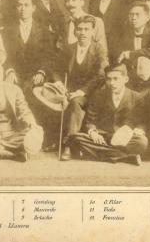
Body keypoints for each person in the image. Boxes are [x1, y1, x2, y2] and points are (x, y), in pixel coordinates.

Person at [34, 16, 108, 145]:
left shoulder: (99, 49)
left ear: (93, 31)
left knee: (75, 102)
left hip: (91, 93)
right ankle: (52, 139)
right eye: (79, 29)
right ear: (75, 32)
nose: (83, 33)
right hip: (68, 89)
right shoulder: (69, 48)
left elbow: (100, 75)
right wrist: (59, 82)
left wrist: (81, 91)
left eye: (86, 29)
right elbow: (56, 69)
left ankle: (69, 143)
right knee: (46, 96)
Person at [65, 63, 148, 164]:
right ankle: (125, 157)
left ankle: (106, 153)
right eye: (108, 79)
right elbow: (90, 120)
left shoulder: (137, 97)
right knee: (77, 138)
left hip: (124, 138)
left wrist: (139, 130)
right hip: (103, 136)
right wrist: (93, 132)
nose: (112, 83)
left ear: (125, 79)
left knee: (142, 142)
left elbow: (143, 121)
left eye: (115, 79)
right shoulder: (99, 95)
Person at [3, 0, 53, 90]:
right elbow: (4, 54)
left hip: (36, 75)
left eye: (26, 5)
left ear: (33, 8)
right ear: (16, 8)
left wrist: (41, 72)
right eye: (19, 5)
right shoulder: (7, 31)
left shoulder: (44, 31)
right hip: (14, 75)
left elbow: (48, 56)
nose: (23, 9)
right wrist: (9, 71)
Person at [112, 1, 150, 93]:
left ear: (147, 17)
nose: (134, 18)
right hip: (130, 79)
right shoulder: (124, 33)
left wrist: (129, 54)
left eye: (137, 15)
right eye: (131, 15)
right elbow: (118, 56)